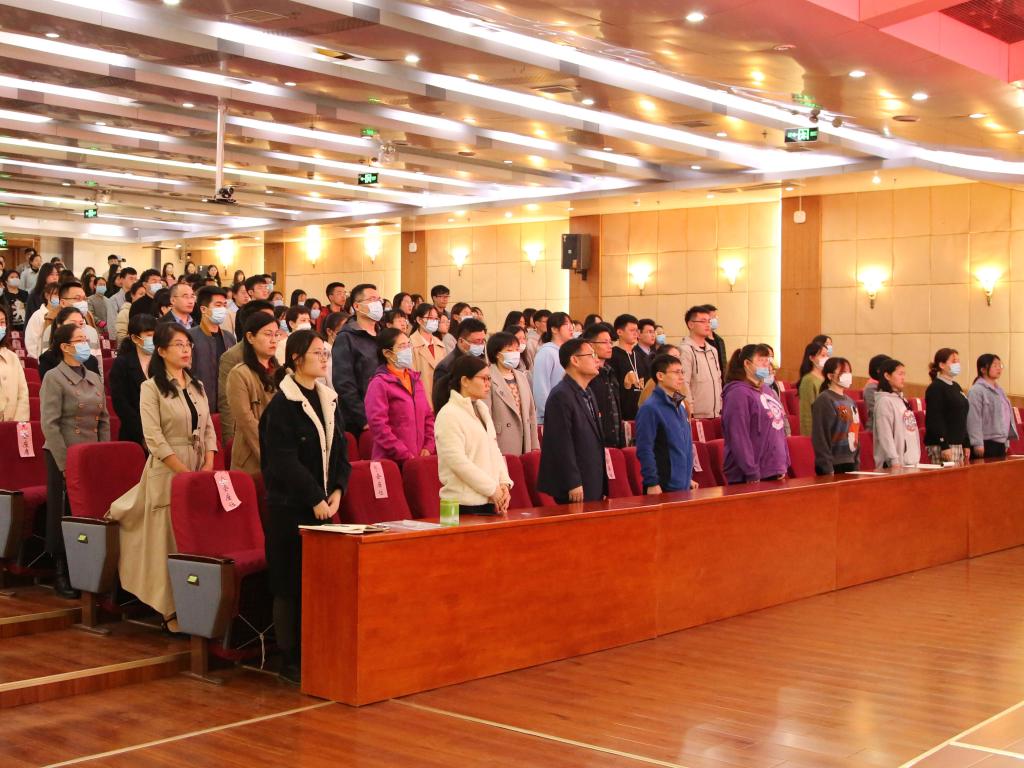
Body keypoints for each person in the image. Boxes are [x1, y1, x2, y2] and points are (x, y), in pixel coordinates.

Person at [107, 323, 217, 629]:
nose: (186, 350)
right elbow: (154, 438)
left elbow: (208, 429)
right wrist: (184, 474)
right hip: (168, 468)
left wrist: (208, 464)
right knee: (167, 538)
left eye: (188, 345)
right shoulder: (151, 387)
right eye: (179, 345)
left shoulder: (197, 385)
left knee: (196, 536)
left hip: (198, 465)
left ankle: (197, 603)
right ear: (162, 351)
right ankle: (169, 609)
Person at [260, 330, 351, 684]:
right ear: (296, 359)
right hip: (290, 507)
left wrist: (338, 489)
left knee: (319, 582)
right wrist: (313, 497)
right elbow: (283, 461)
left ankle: (318, 650)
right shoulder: (281, 406)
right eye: (317, 353)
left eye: (325, 353)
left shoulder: (329, 398)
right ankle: (290, 659)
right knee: (290, 583)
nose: (324, 358)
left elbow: (340, 450)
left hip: (324, 506)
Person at [40, 322, 110, 598]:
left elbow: (103, 419)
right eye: (79, 340)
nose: (85, 345)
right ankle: (61, 568)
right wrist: (64, 463)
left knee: (88, 512)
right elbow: (50, 424)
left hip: (90, 455)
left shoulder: (92, 376)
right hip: (64, 452)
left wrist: (103, 454)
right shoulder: (54, 377)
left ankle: (89, 567)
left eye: (85, 339)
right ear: (65, 347)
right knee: (64, 510)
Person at [435, 354, 512, 515]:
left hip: (488, 499)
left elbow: (494, 450)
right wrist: (492, 489)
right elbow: (458, 462)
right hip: (461, 504)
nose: (488, 384)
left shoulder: (482, 409)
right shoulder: (448, 414)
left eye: (489, 379)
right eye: (484, 379)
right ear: (465, 381)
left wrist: (503, 483)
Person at [537, 338, 605, 503]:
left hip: (592, 478)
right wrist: (573, 482)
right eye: (591, 355)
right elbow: (561, 443)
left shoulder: (588, 392)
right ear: (575, 360)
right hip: (575, 484)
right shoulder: (560, 395)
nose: (597, 360)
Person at [721, 344, 789, 485]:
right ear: (747, 364)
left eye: (768, 360)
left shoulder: (767, 390)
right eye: (761, 360)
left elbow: (778, 427)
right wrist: (751, 470)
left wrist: (783, 462)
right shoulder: (737, 393)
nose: (767, 365)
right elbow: (738, 436)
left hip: (774, 468)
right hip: (751, 474)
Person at [364, 328, 435, 462]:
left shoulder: (415, 379)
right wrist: (404, 454)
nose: (408, 350)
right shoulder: (379, 383)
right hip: (392, 461)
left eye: (409, 344)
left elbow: (428, 416)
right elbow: (378, 425)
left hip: (419, 459)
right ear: (387, 353)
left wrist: (428, 446)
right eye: (402, 346)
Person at [226, 313, 279, 477]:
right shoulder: (239, 374)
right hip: (251, 459)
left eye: (276, 334)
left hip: (282, 453)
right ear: (250, 337)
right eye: (268, 334)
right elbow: (246, 420)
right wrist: (272, 456)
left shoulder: (283, 372)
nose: (274, 340)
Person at [636, 353, 697, 494]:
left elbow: (685, 444)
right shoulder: (650, 408)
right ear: (660, 376)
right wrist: (652, 482)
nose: (681, 377)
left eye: (682, 372)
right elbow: (645, 448)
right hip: (663, 485)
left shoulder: (679, 405)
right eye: (676, 372)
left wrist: (688, 477)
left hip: (682, 484)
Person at [217, 300, 275, 443]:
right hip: (248, 436)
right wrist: (230, 438)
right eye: (264, 318)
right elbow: (228, 402)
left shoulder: (274, 358)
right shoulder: (233, 357)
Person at [332, 283, 382, 434]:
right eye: (372, 299)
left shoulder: (383, 335)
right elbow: (343, 383)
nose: (377, 304)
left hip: (386, 412)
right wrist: (363, 418)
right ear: (357, 306)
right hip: (360, 421)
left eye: (378, 299)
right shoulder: (346, 337)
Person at [486, 331, 539, 456]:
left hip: (525, 438)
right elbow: (485, 415)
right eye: (509, 350)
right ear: (497, 354)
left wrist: (535, 445)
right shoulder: (488, 377)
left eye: (516, 349)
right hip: (502, 440)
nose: (515, 354)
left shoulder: (521, 376)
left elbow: (531, 413)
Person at [109, 314, 157, 447]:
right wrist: (143, 433)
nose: (153, 339)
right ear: (135, 338)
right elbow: (121, 403)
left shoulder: (162, 361)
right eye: (149, 335)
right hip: (134, 433)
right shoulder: (122, 364)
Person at [187, 286, 234, 411]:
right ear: (203, 309)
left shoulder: (229, 337)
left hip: (226, 403)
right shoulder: (189, 337)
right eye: (218, 305)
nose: (222, 309)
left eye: (224, 305)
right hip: (199, 403)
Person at [810, 356, 860, 475]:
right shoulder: (825, 400)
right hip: (833, 464)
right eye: (843, 372)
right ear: (830, 376)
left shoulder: (850, 401)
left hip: (850, 461)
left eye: (849, 372)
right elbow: (821, 437)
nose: (847, 375)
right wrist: (827, 467)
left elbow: (855, 432)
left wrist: (856, 461)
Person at [924, 348, 970, 465]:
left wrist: (966, 442)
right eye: (953, 361)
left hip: (957, 443)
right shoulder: (936, 388)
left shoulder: (956, 386)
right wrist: (944, 444)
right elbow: (935, 419)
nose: (957, 364)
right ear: (942, 365)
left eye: (958, 361)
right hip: (943, 445)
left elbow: (961, 416)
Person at [583, 322, 625, 448]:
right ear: (591, 345)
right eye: (605, 342)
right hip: (595, 443)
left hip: (615, 441)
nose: (610, 346)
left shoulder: (610, 372)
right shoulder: (587, 375)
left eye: (610, 342)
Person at [432, 317, 486, 413]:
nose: (480, 345)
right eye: (476, 342)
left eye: (483, 341)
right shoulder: (446, 367)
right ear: (461, 341)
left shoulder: (481, 361)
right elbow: (441, 404)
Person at [967, 353, 1016, 460]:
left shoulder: (1000, 390)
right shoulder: (976, 390)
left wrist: (1006, 441)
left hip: (1000, 442)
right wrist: (977, 443)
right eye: (995, 365)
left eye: (1000, 365)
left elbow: (1006, 416)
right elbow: (973, 418)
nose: (999, 368)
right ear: (983, 369)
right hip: (986, 442)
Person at [873, 358, 920, 469]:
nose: (903, 378)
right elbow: (885, 434)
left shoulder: (902, 400)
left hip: (910, 461)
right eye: (900, 374)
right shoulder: (884, 401)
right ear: (887, 376)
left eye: (904, 374)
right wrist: (894, 459)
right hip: (894, 464)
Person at [679, 306, 722, 419]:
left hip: (715, 413)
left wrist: (720, 406)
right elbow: (684, 383)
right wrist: (690, 410)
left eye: (709, 321)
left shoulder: (713, 350)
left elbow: (718, 380)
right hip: (696, 415)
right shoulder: (685, 350)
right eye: (703, 321)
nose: (708, 325)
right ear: (691, 324)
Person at [531, 311, 573, 425]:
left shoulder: (565, 353)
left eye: (571, 324)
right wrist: (549, 414)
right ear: (554, 329)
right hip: (552, 417)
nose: (571, 328)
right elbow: (540, 387)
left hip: (566, 413)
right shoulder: (546, 352)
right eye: (566, 324)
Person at [37, 308, 101, 381]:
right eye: (72, 324)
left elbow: (98, 384)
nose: (77, 328)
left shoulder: (91, 360)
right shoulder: (48, 359)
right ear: (59, 326)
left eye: (80, 324)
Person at [609, 313, 651, 422]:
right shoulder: (612, 356)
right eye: (632, 330)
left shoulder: (640, 356)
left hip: (642, 414)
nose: (635, 333)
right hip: (621, 415)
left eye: (637, 330)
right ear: (619, 332)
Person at [410, 303, 445, 407]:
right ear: (419, 320)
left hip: (440, 399)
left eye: (436, 318)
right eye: (430, 318)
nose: (434, 321)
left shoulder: (440, 344)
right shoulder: (410, 344)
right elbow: (411, 378)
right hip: (421, 401)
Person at [0, 305, 29, 421]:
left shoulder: (12, 357)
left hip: (11, 424)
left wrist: (14, 425)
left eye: (2, 322)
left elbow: (22, 395)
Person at [797, 342, 828, 437]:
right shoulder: (808, 380)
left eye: (827, 355)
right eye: (822, 355)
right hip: (816, 432)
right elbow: (806, 413)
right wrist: (809, 437)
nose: (826, 358)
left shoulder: (827, 378)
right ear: (811, 358)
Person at [863, 354, 891, 432]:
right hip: (876, 429)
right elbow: (876, 412)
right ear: (878, 370)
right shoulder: (871, 388)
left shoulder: (891, 387)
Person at [703, 304, 727, 373]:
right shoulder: (701, 341)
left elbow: (724, 363)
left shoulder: (720, 340)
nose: (715, 320)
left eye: (716, 317)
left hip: (721, 377)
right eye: (713, 317)